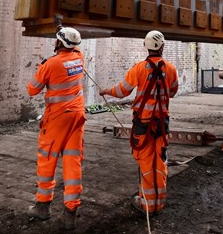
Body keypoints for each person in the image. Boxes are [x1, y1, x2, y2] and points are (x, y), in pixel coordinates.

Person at [100, 30, 178, 215]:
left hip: (143, 123)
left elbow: (122, 91)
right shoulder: (171, 69)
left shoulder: (139, 68)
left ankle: (148, 205)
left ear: (146, 46)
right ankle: (159, 202)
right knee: (160, 160)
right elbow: (173, 92)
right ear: (163, 47)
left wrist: (106, 91)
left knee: (145, 160)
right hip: (161, 124)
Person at [26, 27, 85, 230]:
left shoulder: (50, 64)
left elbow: (32, 89)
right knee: (72, 162)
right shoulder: (80, 58)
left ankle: (43, 207)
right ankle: (70, 214)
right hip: (76, 117)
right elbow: (72, 49)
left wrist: (43, 67)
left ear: (59, 43)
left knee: (47, 160)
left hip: (57, 119)